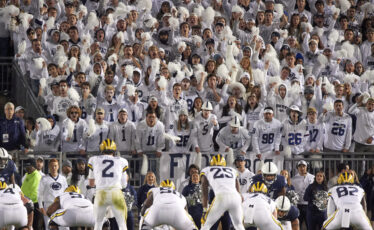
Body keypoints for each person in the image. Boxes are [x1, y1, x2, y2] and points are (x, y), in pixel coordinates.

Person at [87, 138, 129, 230]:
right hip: (116, 193)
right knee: (122, 224)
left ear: (101, 150)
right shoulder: (122, 161)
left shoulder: (93, 159)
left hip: (101, 193)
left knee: (98, 223)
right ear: (114, 151)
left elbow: (91, 182)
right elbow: (124, 184)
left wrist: (97, 188)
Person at [200, 154, 245, 230]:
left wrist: (205, 209)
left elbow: (204, 192)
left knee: (206, 225)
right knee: (239, 225)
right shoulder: (232, 170)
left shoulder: (207, 170)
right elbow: (237, 187)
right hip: (236, 198)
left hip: (221, 197)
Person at [38, 158, 68, 230]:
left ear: (58, 166)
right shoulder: (44, 178)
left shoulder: (63, 178)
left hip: (60, 205)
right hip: (48, 206)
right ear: (49, 167)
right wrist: (41, 207)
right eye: (52, 166)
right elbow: (39, 194)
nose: (53, 168)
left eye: (55, 166)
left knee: (64, 226)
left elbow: (66, 193)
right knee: (49, 226)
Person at [291, 160, 315, 230]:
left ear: (307, 167)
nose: (302, 168)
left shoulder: (312, 177)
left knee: (310, 225)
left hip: (309, 204)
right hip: (298, 205)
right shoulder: (293, 179)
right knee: (298, 224)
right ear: (297, 168)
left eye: (304, 166)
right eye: (300, 166)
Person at [21, 158, 42, 230]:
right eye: (26, 166)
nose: (27, 168)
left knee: (34, 225)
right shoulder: (27, 174)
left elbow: (33, 192)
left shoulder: (36, 176)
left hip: (34, 204)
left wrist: (24, 200)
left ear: (33, 166)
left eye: (29, 166)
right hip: (26, 203)